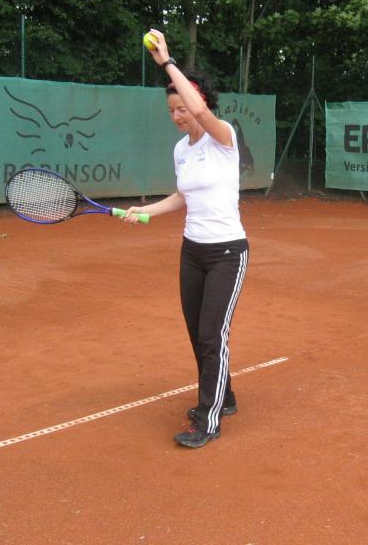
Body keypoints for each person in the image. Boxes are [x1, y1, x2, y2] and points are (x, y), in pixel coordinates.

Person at [122, 29, 248, 448]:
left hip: (227, 252)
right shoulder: (182, 150)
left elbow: (198, 107)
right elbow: (183, 196)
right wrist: (146, 211)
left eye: (183, 107)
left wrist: (166, 62)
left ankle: (208, 419)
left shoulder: (223, 137)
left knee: (213, 335)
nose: (178, 115)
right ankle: (224, 395)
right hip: (192, 252)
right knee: (198, 333)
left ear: (200, 103)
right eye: (171, 110)